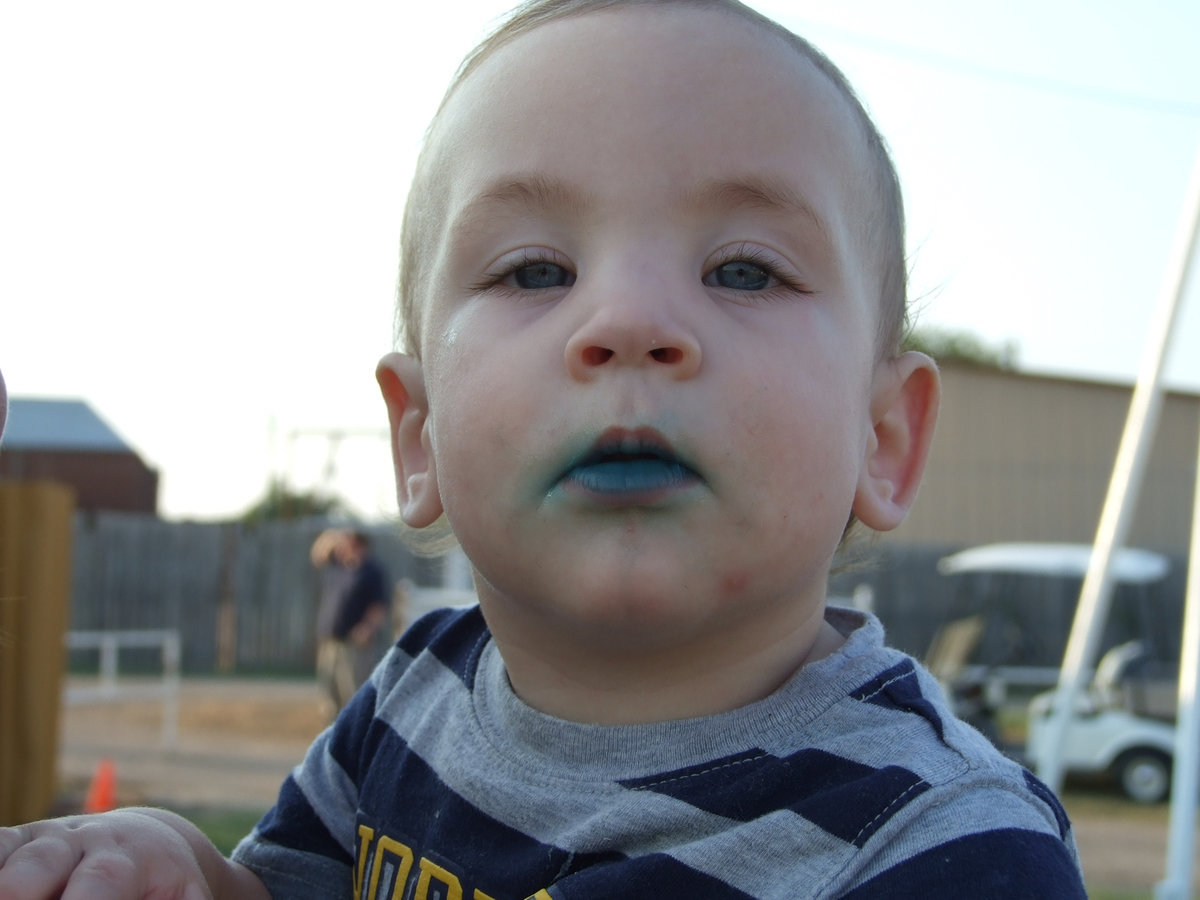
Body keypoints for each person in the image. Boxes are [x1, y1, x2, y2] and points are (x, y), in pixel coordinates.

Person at [0, 1, 1088, 897]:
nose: (625, 320)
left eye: (745, 270)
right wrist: (184, 865)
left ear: (883, 437)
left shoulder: (946, 849)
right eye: (532, 270)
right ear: (418, 437)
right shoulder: (413, 697)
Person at [312, 528, 390, 720]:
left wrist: (367, 628)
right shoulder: (339, 566)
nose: (342, 547)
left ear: (360, 546)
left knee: (353, 693)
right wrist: (332, 536)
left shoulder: (371, 571)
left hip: (354, 645)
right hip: (331, 640)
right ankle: (331, 737)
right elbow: (317, 555)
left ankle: (354, 738)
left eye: (347, 543)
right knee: (329, 695)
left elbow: (379, 605)